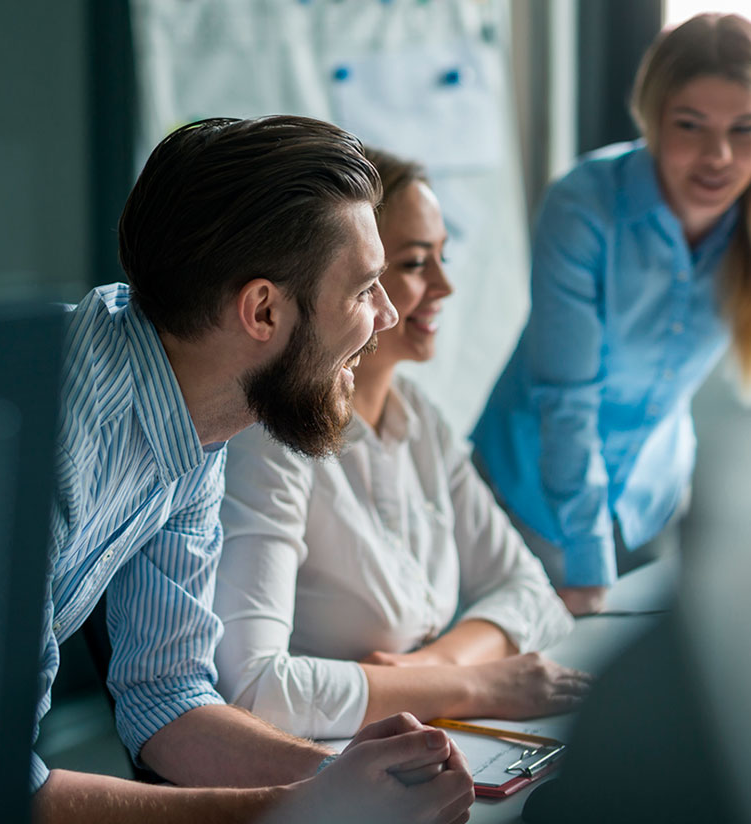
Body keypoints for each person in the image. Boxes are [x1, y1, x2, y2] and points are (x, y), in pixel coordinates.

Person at [33, 116, 475, 824]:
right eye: (364, 288)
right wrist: (301, 810)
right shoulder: (51, 433)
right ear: (263, 309)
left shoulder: (198, 417)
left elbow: (167, 698)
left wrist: (354, 778)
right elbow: (8, 789)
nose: (388, 314)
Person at [214, 148, 590, 741]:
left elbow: (530, 592)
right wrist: (478, 683)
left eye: (443, 256)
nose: (444, 285)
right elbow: (255, 694)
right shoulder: (270, 438)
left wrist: (428, 669)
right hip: (320, 762)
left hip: (423, 731)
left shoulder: (418, 418)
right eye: (415, 263)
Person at [471, 12, 751, 616]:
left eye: (745, 130)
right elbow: (568, 399)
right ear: (653, 117)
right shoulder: (584, 205)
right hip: (526, 500)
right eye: (691, 126)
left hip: (651, 501)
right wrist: (587, 566)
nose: (718, 157)